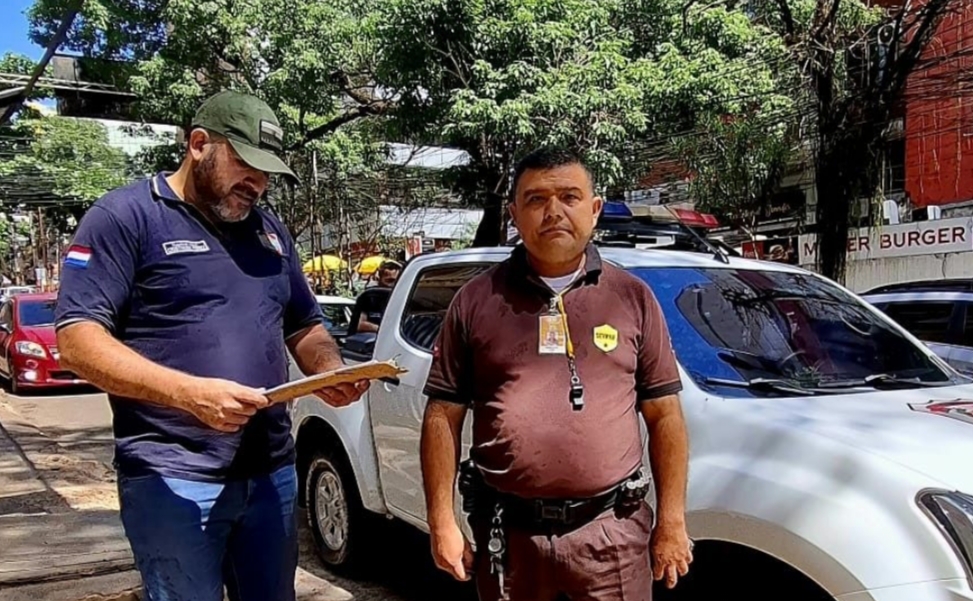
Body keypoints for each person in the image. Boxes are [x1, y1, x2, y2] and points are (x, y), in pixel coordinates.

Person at [54, 90, 369, 601]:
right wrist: (187, 394)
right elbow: (77, 341)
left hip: (270, 471)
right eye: (246, 165)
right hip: (172, 475)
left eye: (266, 173)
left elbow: (305, 324)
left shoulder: (269, 231)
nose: (257, 184)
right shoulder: (125, 217)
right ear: (199, 144)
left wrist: (329, 369)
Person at [420, 147, 693, 601]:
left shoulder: (632, 298)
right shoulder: (475, 301)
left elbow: (665, 415)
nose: (553, 211)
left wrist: (672, 521)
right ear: (513, 214)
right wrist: (441, 521)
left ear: (595, 208)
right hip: (509, 536)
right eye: (536, 199)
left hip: (611, 534)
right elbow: (441, 416)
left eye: (569, 196)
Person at [357, 260, 401, 332]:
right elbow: (359, 324)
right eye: (389, 281)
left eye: (396, 281)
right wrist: (381, 330)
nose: (392, 285)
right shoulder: (369, 297)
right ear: (379, 279)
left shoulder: (404, 298)